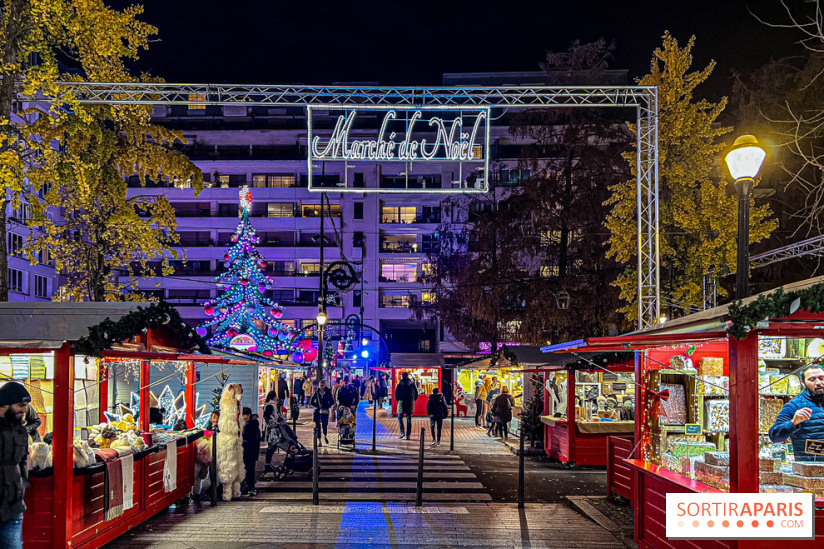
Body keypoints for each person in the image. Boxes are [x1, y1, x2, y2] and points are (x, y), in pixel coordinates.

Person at [0, 382, 32, 549]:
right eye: (20, 405)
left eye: (25, 406)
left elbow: (22, 464)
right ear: (4, 404)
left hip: (13, 508)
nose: (24, 410)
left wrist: (21, 490)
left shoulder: (21, 431)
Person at [769, 364, 824, 461]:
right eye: (812, 379)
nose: (818, 382)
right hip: (809, 470)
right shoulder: (794, 406)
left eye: (821, 378)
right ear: (803, 382)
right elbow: (774, 436)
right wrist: (793, 423)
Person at [241, 407, 260, 495]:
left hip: (251, 451)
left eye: (244, 415)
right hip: (245, 451)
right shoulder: (243, 424)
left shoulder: (253, 425)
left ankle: (251, 487)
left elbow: (254, 438)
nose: (242, 417)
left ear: (248, 415)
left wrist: (244, 441)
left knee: (250, 469)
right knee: (245, 469)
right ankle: (246, 487)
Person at [309, 381, 334, 446]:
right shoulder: (316, 392)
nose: (321, 387)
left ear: (324, 385)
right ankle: (319, 441)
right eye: (320, 385)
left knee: (324, 424)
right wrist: (317, 405)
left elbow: (331, 401)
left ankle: (325, 435)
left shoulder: (328, 392)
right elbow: (311, 401)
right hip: (317, 411)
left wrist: (327, 406)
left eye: (322, 385)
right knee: (317, 426)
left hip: (325, 411)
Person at [394, 372, 418, 440]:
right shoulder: (412, 384)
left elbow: (396, 394)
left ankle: (402, 432)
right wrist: (413, 400)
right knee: (409, 419)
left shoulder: (399, 385)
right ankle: (408, 434)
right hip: (409, 402)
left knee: (400, 417)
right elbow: (416, 394)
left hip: (401, 402)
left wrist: (398, 400)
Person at [262, 391, 279, 474]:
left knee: (272, 446)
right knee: (272, 446)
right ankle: (268, 463)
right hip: (271, 429)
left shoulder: (271, 405)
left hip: (272, 428)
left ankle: (268, 463)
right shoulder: (270, 406)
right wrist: (270, 421)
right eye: (276, 396)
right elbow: (266, 416)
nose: (277, 398)